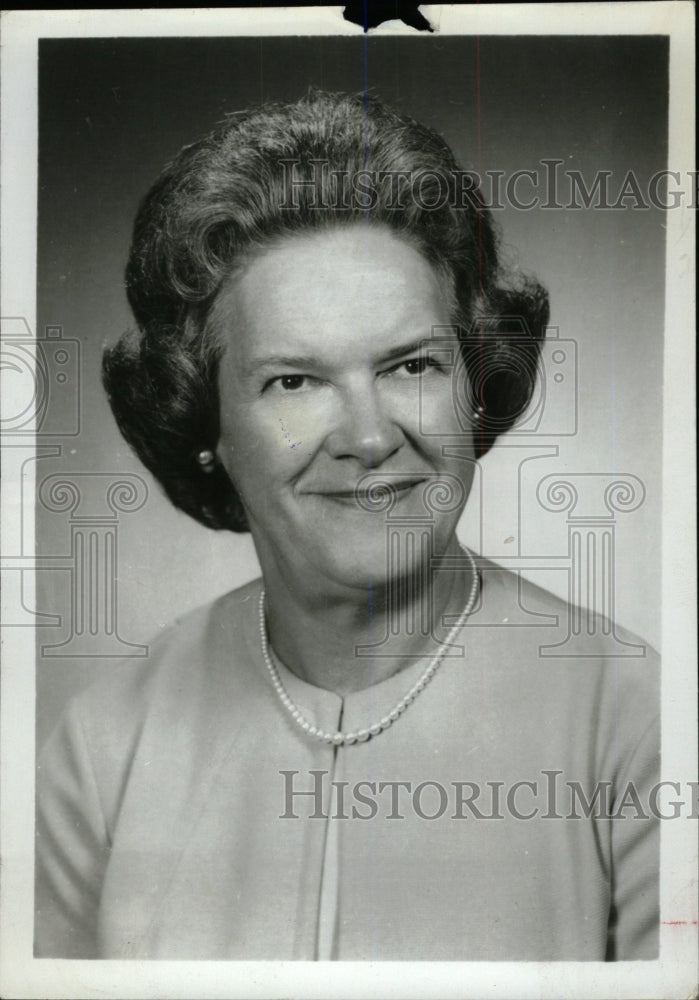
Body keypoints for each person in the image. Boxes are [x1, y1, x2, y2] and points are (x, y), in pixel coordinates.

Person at [35, 91, 659, 961]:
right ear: (202, 422)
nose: (369, 438)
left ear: (474, 380)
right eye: (293, 382)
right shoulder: (105, 748)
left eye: (410, 364)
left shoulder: (637, 721)